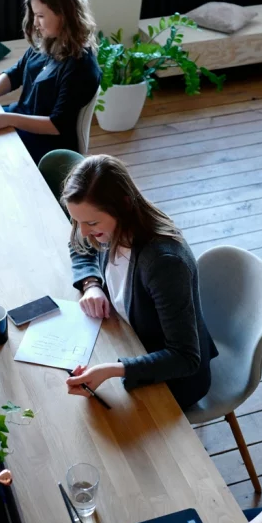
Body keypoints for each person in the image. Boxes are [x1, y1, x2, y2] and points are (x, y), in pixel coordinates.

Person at [63, 154, 217, 409]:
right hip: (128, 339)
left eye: (91, 222)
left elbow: (185, 358)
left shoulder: (163, 263)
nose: (83, 231)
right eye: (77, 221)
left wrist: (115, 370)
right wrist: (91, 284)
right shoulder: (112, 226)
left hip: (173, 379)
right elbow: (79, 244)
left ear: (123, 206)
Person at [0, 0, 101, 164]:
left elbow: (57, 125)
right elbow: (16, 73)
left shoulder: (80, 66)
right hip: (21, 119)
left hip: (48, 143)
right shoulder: (46, 42)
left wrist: (9, 119)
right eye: (34, 15)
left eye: (41, 16)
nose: (35, 23)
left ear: (63, 14)